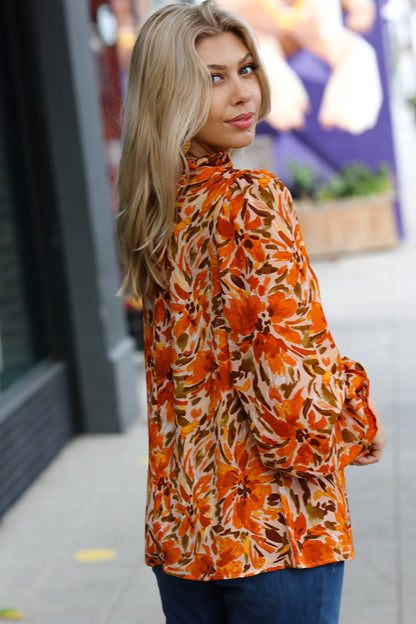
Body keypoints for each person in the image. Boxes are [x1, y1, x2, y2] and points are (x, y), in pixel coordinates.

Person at [116, 2, 386, 623]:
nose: (244, 93)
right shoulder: (251, 201)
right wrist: (354, 419)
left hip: (184, 532)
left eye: (246, 69)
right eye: (213, 78)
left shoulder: (154, 215)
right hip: (275, 531)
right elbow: (291, 402)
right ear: (170, 94)